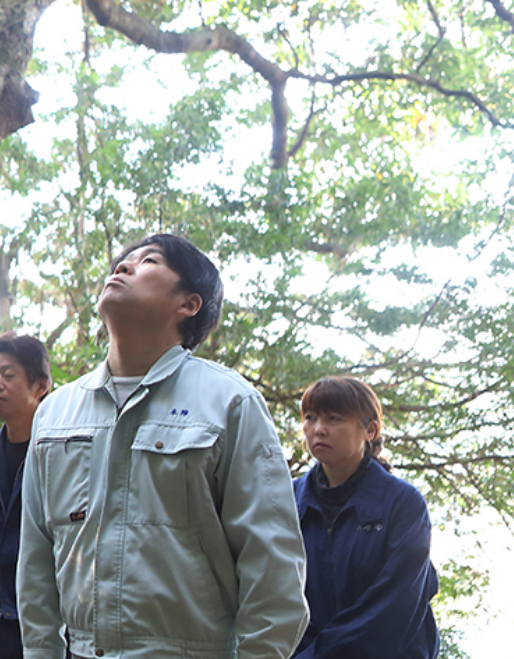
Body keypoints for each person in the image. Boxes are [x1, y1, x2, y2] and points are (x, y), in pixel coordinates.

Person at [17, 233, 309, 659]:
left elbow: (272, 564)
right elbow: (36, 562)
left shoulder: (229, 402)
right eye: (122, 261)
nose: (123, 267)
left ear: (188, 304)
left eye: (148, 260)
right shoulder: (55, 413)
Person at [293, 377, 440, 659]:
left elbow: (395, 604)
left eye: (334, 418)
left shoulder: (402, 503)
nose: (319, 429)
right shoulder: (288, 500)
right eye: (310, 418)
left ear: (370, 429)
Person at [0, 333, 52, 659]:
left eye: (9, 375)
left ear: (40, 386)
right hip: (0, 618)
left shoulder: (60, 451)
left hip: (55, 617)